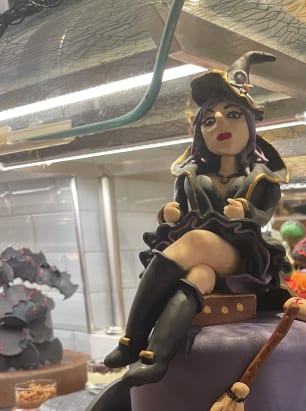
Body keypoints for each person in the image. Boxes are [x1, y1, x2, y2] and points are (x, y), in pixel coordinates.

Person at [105, 51, 291, 386]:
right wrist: (170, 215)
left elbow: (263, 213)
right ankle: (155, 356)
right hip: (205, 257)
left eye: (232, 115)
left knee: (196, 241)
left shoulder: (262, 177)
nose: (220, 124)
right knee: (199, 275)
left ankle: (131, 338)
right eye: (209, 121)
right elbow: (180, 213)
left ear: (250, 124)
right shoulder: (191, 176)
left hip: (244, 256)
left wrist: (246, 213)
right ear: (200, 132)